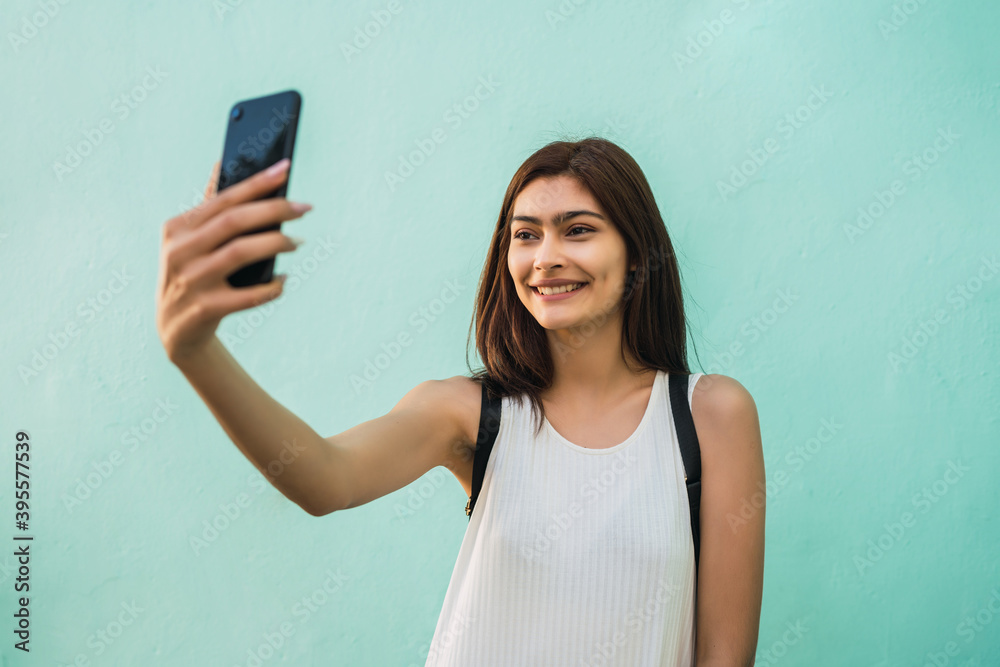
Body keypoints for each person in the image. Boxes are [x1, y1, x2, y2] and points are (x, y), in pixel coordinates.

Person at [155, 137, 765, 666]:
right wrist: (196, 352)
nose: (545, 256)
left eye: (577, 230)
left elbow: (722, 656)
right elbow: (322, 478)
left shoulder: (710, 416)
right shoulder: (470, 413)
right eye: (525, 235)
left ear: (636, 250)